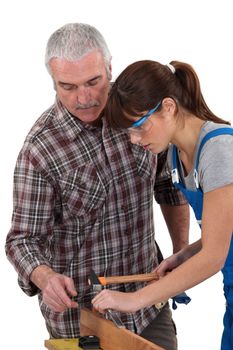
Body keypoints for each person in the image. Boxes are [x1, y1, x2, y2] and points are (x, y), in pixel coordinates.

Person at [5, 24, 189, 350]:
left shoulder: (141, 112)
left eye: (94, 81)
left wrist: (181, 253)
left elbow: (168, 184)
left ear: (109, 67)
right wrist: (45, 278)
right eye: (68, 87)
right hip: (83, 322)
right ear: (52, 81)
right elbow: (22, 240)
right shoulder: (40, 151)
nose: (85, 97)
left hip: (149, 302)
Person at [91, 59, 233, 349]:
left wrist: (135, 300)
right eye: (127, 132)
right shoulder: (175, 157)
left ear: (168, 107)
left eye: (139, 127)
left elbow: (214, 256)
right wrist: (183, 257)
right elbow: (222, 234)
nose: (133, 139)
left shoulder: (219, 151)